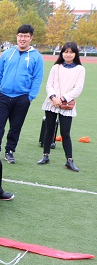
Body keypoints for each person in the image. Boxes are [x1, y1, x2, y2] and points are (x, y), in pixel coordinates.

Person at [0, 24, 43, 164]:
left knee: (15, 127)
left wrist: (30, 97)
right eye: (20, 35)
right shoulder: (7, 53)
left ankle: (10, 151)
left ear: (31, 38)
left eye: (26, 36)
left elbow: (38, 78)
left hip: (22, 98)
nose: (22, 39)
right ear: (17, 36)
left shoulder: (36, 57)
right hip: (2, 96)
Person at [38, 41, 85, 172]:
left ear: (75, 54)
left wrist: (62, 99)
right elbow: (49, 85)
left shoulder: (80, 69)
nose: (68, 55)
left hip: (66, 105)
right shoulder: (56, 67)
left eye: (71, 52)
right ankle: (45, 155)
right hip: (51, 103)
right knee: (49, 130)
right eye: (65, 52)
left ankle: (69, 160)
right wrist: (53, 98)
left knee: (65, 133)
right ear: (62, 53)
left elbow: (78, 89)